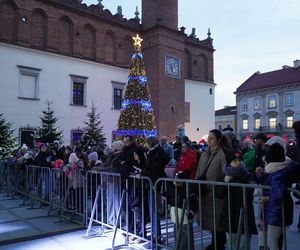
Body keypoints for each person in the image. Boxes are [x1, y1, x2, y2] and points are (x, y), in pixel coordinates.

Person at [260, 143, 299, 250]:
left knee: (272, 243)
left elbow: (279, 194)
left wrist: (267, 198)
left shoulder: (276, 175)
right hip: (274, 211)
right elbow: (266, 183)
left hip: (276, 213)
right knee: (269, 240)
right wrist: (260, 174)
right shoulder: (280, 169)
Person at [216, 150, 257, 250]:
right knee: (232, 244)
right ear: (229, 162)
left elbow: (247, 194)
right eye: (234, 160)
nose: (238, 162)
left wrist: (232, 182)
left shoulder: (246, 175)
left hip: (244, 215)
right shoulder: (224, 174)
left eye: (239, 160)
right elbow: (219, 194)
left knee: (243, 245)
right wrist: (225, 183)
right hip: (229, 215)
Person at [195, 129, 227, 250]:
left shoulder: (222, 154)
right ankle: (214, 243)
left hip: (216, 193)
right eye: (208, 137)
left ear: (219, 140)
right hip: (205, 192)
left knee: (218, 222)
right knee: (210, 222)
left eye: (212, 138)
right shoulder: (204, 153)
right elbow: (199, 170)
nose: (209, 140)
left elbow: (225, 173)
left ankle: (219, 245)